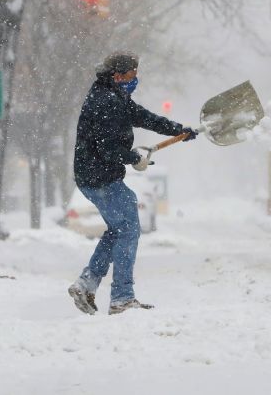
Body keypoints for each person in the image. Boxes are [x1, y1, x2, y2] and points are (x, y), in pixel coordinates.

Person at [67, 52, 197, 315]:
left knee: (118, 228)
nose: (135, 79)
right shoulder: (105, 101)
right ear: (118, 75)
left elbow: (144, 117)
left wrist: (179, 130)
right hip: (98, 177)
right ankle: (122, 297)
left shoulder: (115, 96)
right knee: (128, 227)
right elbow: (106, 149)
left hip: (97, 175)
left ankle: (87, 283)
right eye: (132, 75)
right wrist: (133, 157)